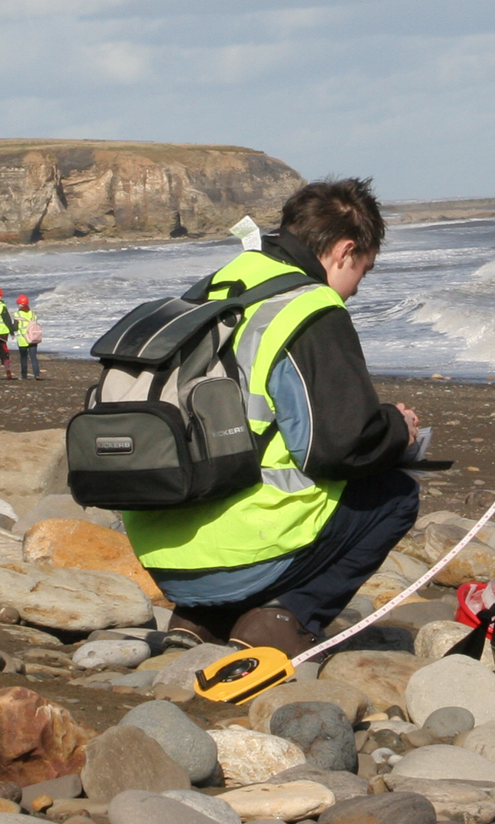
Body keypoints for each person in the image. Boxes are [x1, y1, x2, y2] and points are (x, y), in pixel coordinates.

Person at [123, 178, 424, 657]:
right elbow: (340, 447)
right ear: (345, 251)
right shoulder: (310, 306)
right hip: (242, 556)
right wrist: (395, 427)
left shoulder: (216, 286)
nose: (355, 289)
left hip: (165, 556)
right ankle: (283, 616)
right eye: (362, 272)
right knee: (395, 495)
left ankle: (203, 617)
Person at [13, 293, 41, 380]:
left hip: (22, 339)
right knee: (33, 357)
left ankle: (24, 375)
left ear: (19, 304)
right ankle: (37, 374)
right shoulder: (32, 314)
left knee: (24, 358)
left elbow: (15, 327)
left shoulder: (17, 314)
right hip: (33, 338)